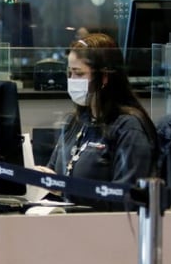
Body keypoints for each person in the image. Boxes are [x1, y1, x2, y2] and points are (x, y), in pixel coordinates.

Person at [37, 32, 157, 210]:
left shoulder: (128, 128)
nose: (71, 80)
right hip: (64, 222)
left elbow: (127, 200)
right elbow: (55, 177)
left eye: (79, 74)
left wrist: (65, 189)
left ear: (104, 77)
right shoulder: (75, 121)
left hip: (105, 229)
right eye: (69, 73)